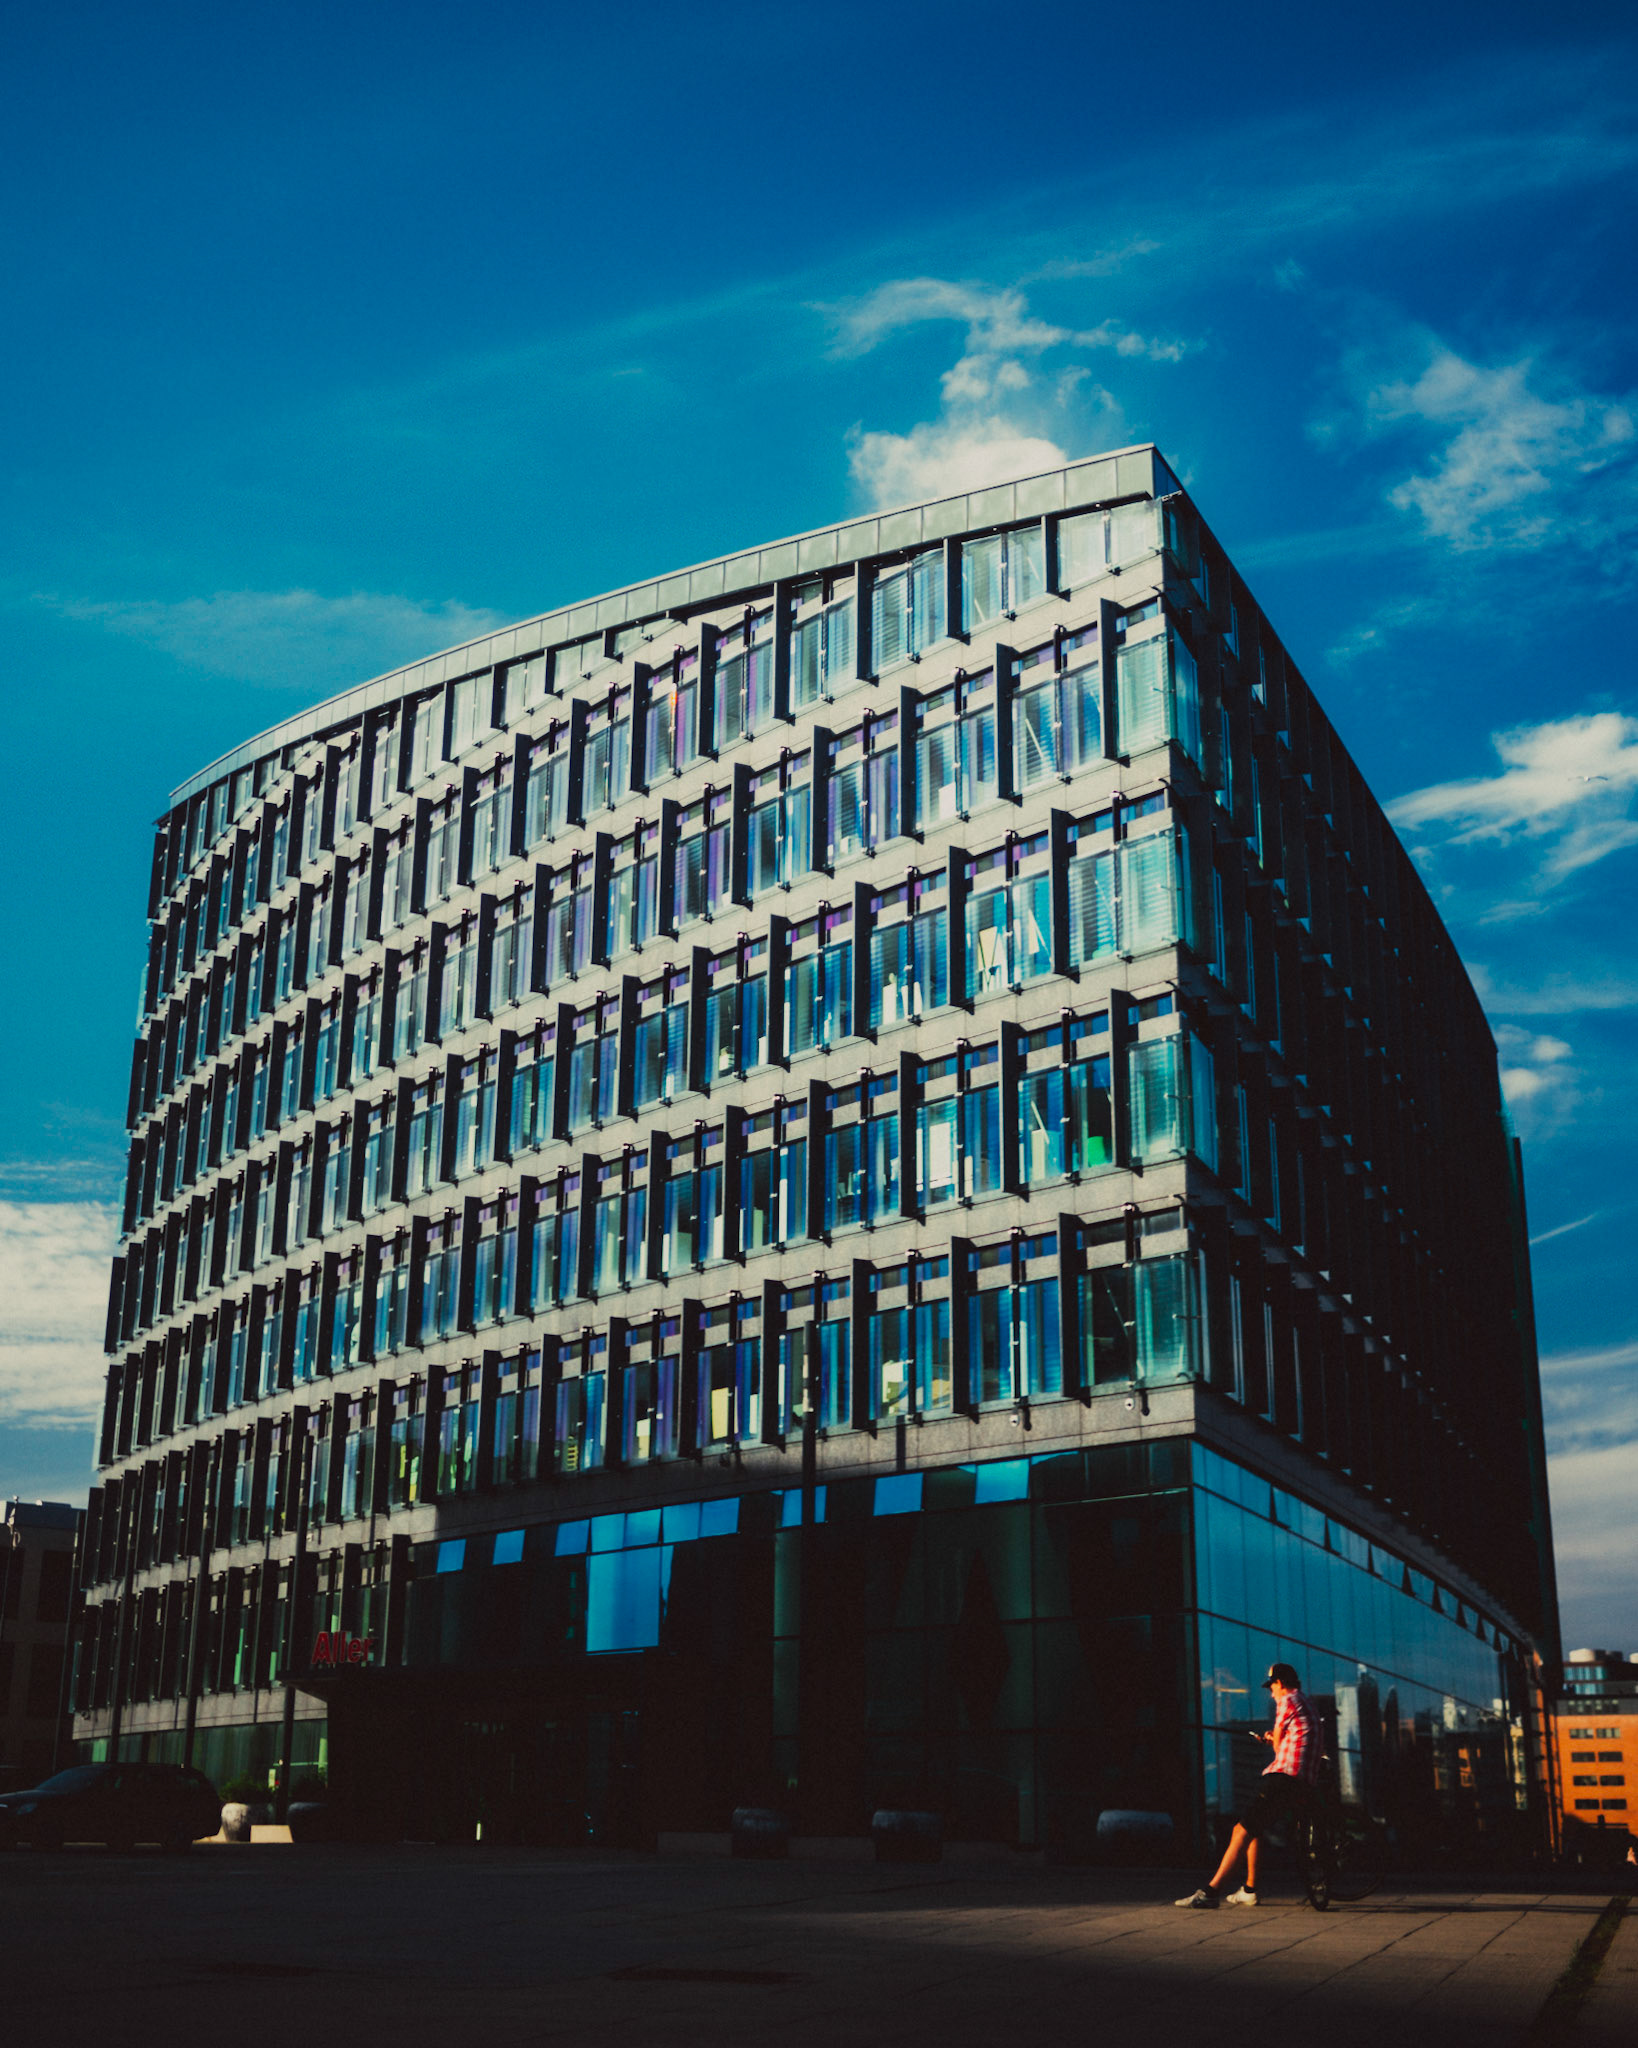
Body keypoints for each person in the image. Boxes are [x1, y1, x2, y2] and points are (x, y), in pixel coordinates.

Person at [1176, 1662, 1320, 1908]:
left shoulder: (1287, 1701)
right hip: (1300, 1779)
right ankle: (1249, 1889)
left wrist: (1274, 1740)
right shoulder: (1305, 1703)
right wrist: (1277, 1739)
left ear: (1280, 1683)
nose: (1270, 1692)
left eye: (1271, 1686)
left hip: (1284, 1776)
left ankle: (1211, 1892)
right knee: (1254, 1828)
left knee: (1240, 1831)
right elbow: (1292, 1740)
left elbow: (1279, 1747)